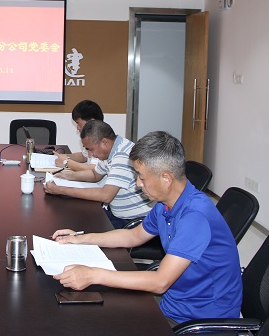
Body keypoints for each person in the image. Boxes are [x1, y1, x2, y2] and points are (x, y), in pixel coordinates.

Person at [52, 131, 242, 326]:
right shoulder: (166, 204)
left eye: (142, 177)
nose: (137, 184)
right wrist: (80, 238)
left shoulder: (195, 217)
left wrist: (93, 275)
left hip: (198, 320)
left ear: (166, 179)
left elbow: (160, 282)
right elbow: (133, 236)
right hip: (174, 303)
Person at [43, 120, 154, 228]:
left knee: (78, 224)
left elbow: (105, 196)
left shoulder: (122, 156)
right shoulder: (114, 147)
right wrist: (66, 176)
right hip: (117, 214)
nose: (90, 155)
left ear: (104, 142)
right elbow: (94, 174)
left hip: (134, 221)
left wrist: (61, 190)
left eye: (91, 149)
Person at [55, 99, 104, 172]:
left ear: (91, 122)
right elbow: (83, 156)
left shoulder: (101, 141)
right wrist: (64, 157)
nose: (78, 128)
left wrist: (67, 162)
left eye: (79, 124)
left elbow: (93, 169)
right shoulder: (90, 138)